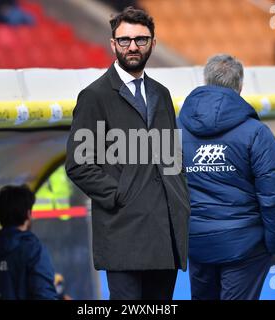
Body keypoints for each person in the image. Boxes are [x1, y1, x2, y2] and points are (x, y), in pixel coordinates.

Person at [65, 6, 190, 300]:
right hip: (123, 232)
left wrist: (180, 198)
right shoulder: (94, 97)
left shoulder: (162, 94)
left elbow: (171, 158)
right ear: (113, 44)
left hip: (164, 232)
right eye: (125, 40)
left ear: (153, 44)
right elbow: (79, 165)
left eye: (141, 39)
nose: (132, 46)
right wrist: (122, 195)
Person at [178, 54, 275, 300]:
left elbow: (164, 189)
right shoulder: (257, 133)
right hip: (245, 244)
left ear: (206, 80)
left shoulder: (175, 131)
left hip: (197, 241)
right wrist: (274, 242)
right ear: (240, 86)